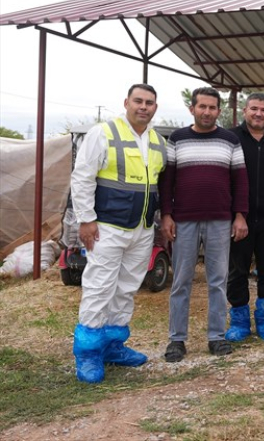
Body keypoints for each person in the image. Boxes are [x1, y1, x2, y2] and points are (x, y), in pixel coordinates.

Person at [70, 83, 167, 383]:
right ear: (126, 103)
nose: (143, 107)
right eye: (138, 101)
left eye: (149, 102)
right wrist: (86, 219)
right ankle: (88, 354)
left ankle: (113, 347)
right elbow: (82, 176)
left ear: (155, 107)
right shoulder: (104, 133)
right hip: (107, 227)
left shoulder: (157, 141)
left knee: (126, 289)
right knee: (100, 288)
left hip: (142, 228)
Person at [159, 87, 249, 362]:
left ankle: (217, 337)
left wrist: (240, 215)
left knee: (218, 281)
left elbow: (240, 180)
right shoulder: (177, 138)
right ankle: (177, 339)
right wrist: (166, 214)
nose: (207, 112)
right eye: (202, 107)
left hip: (220, 219)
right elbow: (167, 180)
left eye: (212, 107)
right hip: (183, 219)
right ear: (192, 109)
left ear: (218, 111)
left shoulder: (230, 140)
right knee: (181, 281)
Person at [225, 93, 264, 342]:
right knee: (237, 270)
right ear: (245, 111)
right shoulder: (230, 138)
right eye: (254, 109)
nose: (259, 114)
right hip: (239, 217)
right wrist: (235, 214)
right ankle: (239, 322)